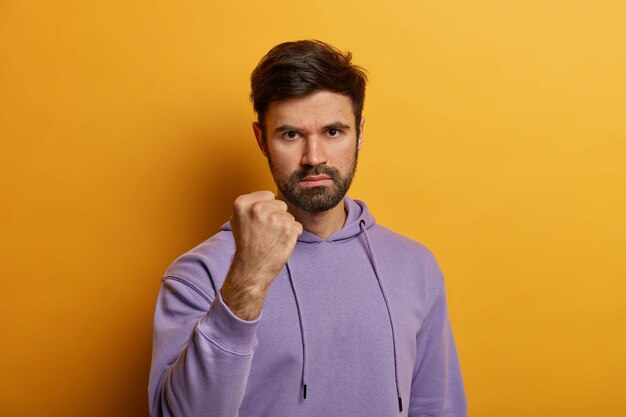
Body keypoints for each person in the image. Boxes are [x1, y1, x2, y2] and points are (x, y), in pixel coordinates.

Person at [148, 39, 467, 417]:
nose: (314, 158)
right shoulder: (200, 272)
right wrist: (246, 282)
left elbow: (437, 408)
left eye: (333, 132)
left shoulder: (416, 267)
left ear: (359, 133)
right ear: (261, 140)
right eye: (291, 134)